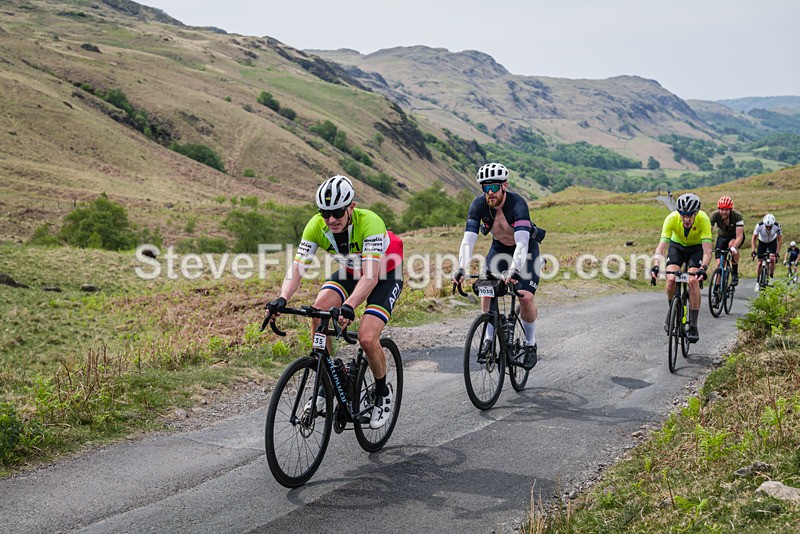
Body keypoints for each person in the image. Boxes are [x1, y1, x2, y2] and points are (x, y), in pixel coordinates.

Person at [265, 175, 404, 429]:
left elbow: (370, 278)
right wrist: (282, 298)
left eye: (337, 212)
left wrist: (349, 306)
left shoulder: (370, 222)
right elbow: (297, 269)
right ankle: (325, 382)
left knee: (366, 337)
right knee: (318, 312)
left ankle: (383, 393)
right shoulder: (316, 226)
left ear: (351, 206)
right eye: (325, 213)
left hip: (384, 273)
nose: (331, 220)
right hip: (352, 270)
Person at [451, 162, 545, 370]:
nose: (490, 193)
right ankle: (488, 338)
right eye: (486, 188)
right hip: (499, 249)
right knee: (486, 289)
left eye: (494, 187)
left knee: (525, 297)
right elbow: (468, 241)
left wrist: (515, 270)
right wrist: (461, 268)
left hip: (526, 251)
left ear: (505, 185)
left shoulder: (517, 204)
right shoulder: (478, 206)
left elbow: (522, 243)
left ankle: (530, 344)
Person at [649, 193, 712, 343]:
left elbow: (707, 251)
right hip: (677, 246)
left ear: (696, 213)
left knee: (692, 281)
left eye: (690, 215)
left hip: (696, 249)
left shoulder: (704, 219)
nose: (686, 219)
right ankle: (673, 310)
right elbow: (661, 248)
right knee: (671, 279)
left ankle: (694, 326)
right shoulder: (671, 219)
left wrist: (703, 267)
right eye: (683, 215)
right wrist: (656, 266)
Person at [708, 196, 744, 286]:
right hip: (722, 237)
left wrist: (734, 247)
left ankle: (735, 273)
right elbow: (708, 232)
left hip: (735, 236)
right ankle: (716, 288)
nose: (724, 212)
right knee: (719, 264)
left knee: (732, 245)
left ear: (730, 209)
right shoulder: (715, 215)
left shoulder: (737, 216)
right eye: (722, 209)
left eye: (726, 210)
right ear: (718, 209)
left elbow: (739, 236)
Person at [750, 213, 782, 286]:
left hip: (772, 242)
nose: (768, 228)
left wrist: (777, 252)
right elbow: (753, 238)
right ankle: (758, 281)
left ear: (773, 224)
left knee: (772, 259)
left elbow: (780, 239)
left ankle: (771, 277)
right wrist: (753, 250)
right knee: (759, 263)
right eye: (767, 226)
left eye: (770, 226)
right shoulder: (759, 225)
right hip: (762, 243)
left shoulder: (777, 226)